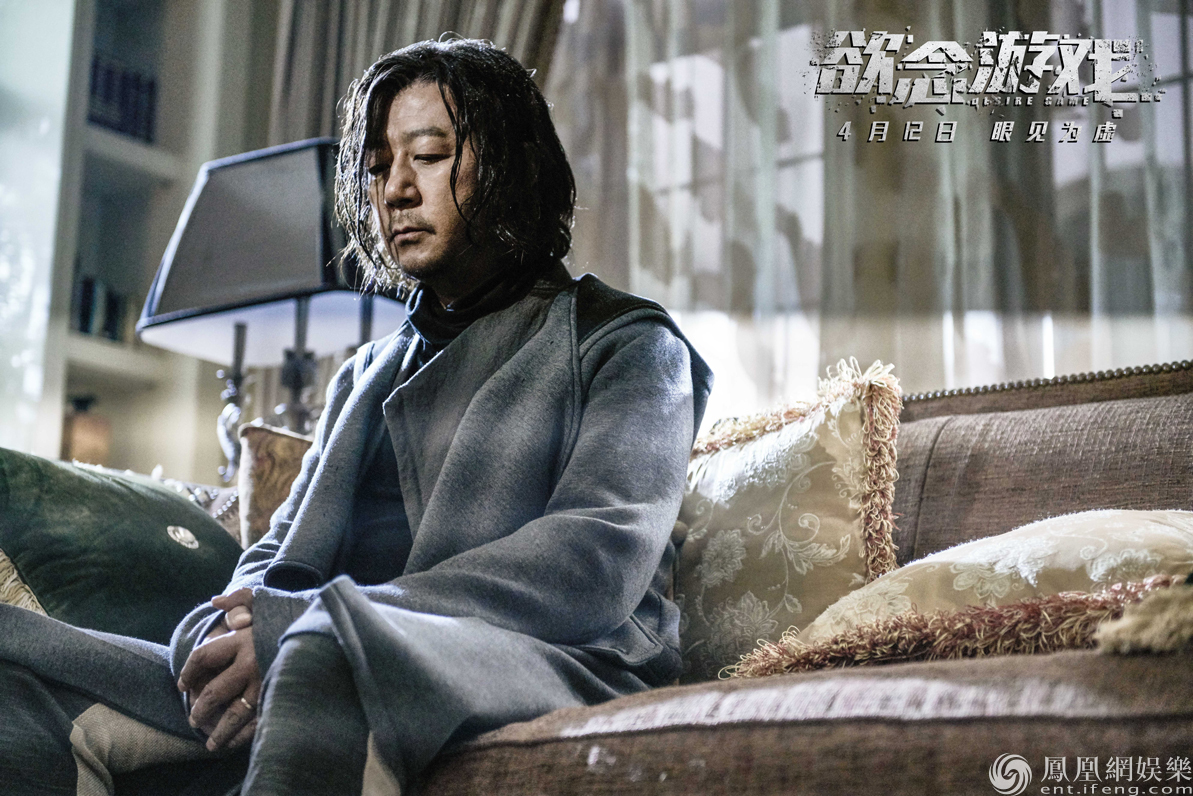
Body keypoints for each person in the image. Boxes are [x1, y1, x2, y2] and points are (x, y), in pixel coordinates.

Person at [0, 38, 710, 796]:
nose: (395, 188)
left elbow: (592, 563)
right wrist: (230, 629)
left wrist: (316, 619)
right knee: (19, 652)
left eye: (429, 156)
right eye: (376, 167)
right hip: (319, 648)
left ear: (512, 166)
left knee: (328, 649)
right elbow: (272, 552)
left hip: (556, 662)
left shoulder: (627, 343)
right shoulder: (363, 374)